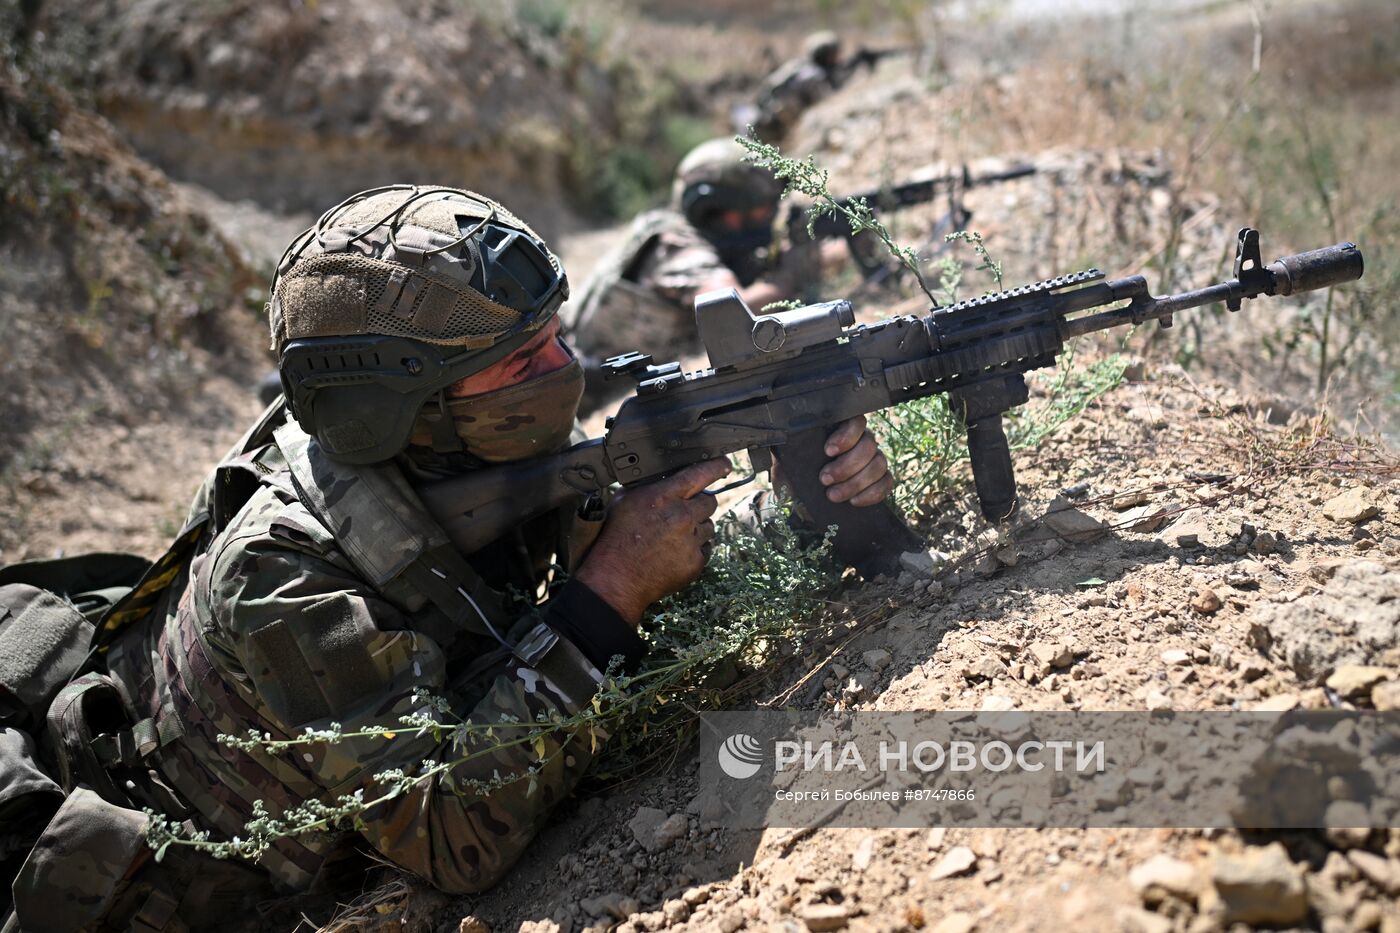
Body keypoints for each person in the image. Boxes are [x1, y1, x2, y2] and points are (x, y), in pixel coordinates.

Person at [1, 185, 894, 930]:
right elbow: (449, 837)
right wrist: (612, 588)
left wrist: (807, 505)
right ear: (402, 407)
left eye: (554, 334)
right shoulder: (283, 576)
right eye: (523, 362)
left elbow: (666, 570)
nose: (565, 369)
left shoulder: (476, 451)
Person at [564, 137, 846, 410]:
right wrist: (791, 275)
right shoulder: (676, 243)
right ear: (711, 208)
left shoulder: (697, 238)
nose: (765, 219)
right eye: (755, 211)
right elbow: (734, 311)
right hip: (585, 391)